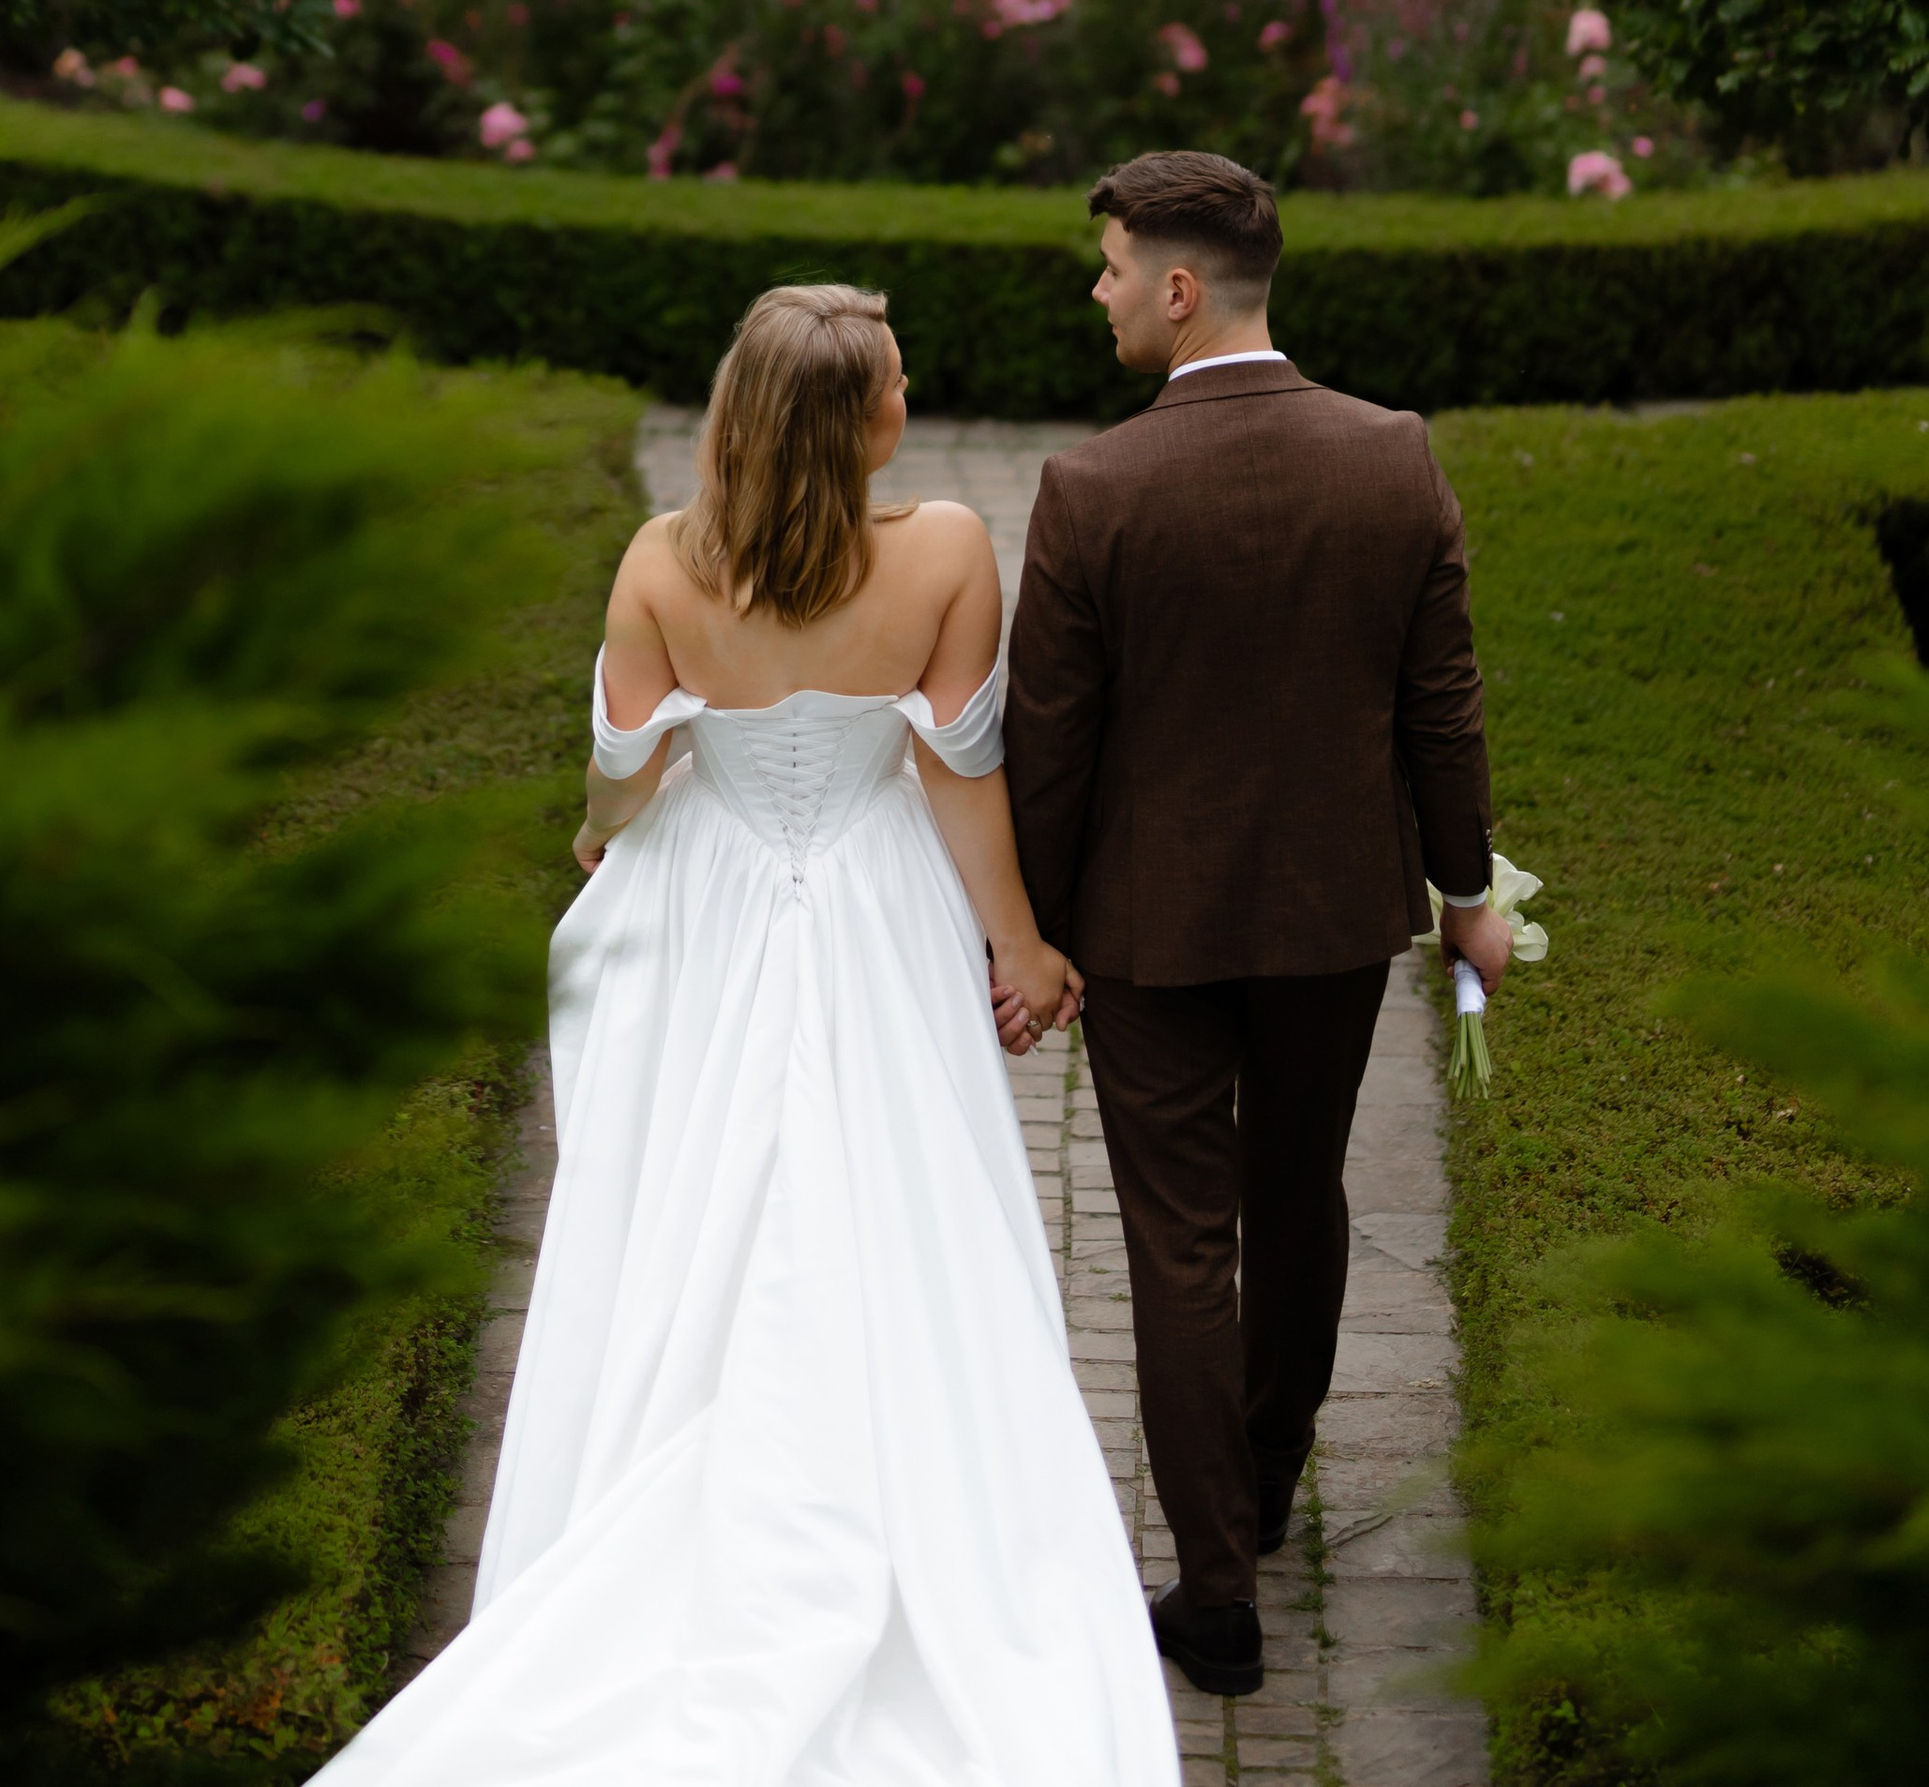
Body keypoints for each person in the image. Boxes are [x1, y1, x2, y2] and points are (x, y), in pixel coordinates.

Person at [322, 280, 1181, 1787]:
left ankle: (687, 1447)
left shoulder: (662, 563)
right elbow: (963, 778)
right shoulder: (948, 555)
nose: (911, 397)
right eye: (899, 380)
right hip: (875, 893)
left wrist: (606, 839)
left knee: (687, 1187)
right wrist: (1023, 945)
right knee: (897, 1196)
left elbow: (621, 778)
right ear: (862, 420)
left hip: (708, 896)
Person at [1001, 151, 1503, 1705]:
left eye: (1106, 268)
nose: (1094, 293)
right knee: (1301, 1203)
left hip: (1148, 931)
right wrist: (1466, 893)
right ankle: (1269, 1486)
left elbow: (1053, 741)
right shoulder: (1394, 455)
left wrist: (1025, 931)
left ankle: (1215, 1594)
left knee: (1177, 1242)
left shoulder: (1092, 488)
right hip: (1337, 916)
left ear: (1178, 287)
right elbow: (1443, 708)